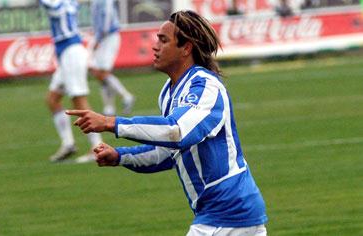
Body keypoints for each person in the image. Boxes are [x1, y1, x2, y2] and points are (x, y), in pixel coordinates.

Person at [67, 10, 268, 235]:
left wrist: (110, 123)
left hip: (229, 211)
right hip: (221, 213)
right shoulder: (169, 92)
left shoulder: (205, 87)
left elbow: (177, 131)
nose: (155, 46)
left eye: (163, 40)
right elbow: (166, 152)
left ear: (186, 48)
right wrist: (120, 156)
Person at [39, 0, 102, 163]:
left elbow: (51, 6)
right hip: (67, 52)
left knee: (79, 100)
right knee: (52, 99)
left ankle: (97, 147)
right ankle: (68, 144)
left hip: (71, 52)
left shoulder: (57, 4)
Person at [90, 0, 134, 116]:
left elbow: (106, 19)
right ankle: (109, 107)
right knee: (98, 71)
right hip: (103, 36)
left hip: (108, 36)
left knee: (102, 72)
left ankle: (125, 96)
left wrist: (98, 39)